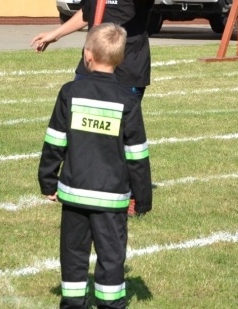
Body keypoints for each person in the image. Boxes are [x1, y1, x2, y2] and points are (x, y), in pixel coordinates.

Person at [38, 23, 152, 309]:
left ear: (87, 54)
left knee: (73, 254)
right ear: (121, 59)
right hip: (111, 199)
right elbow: (136, 154)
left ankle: (73, 303)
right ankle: (111, 305)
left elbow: (55, 141)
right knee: (111, 257)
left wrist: (48, 182)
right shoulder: (128, 100)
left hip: (74, 193)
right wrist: (142, 198)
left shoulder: (69, 92)